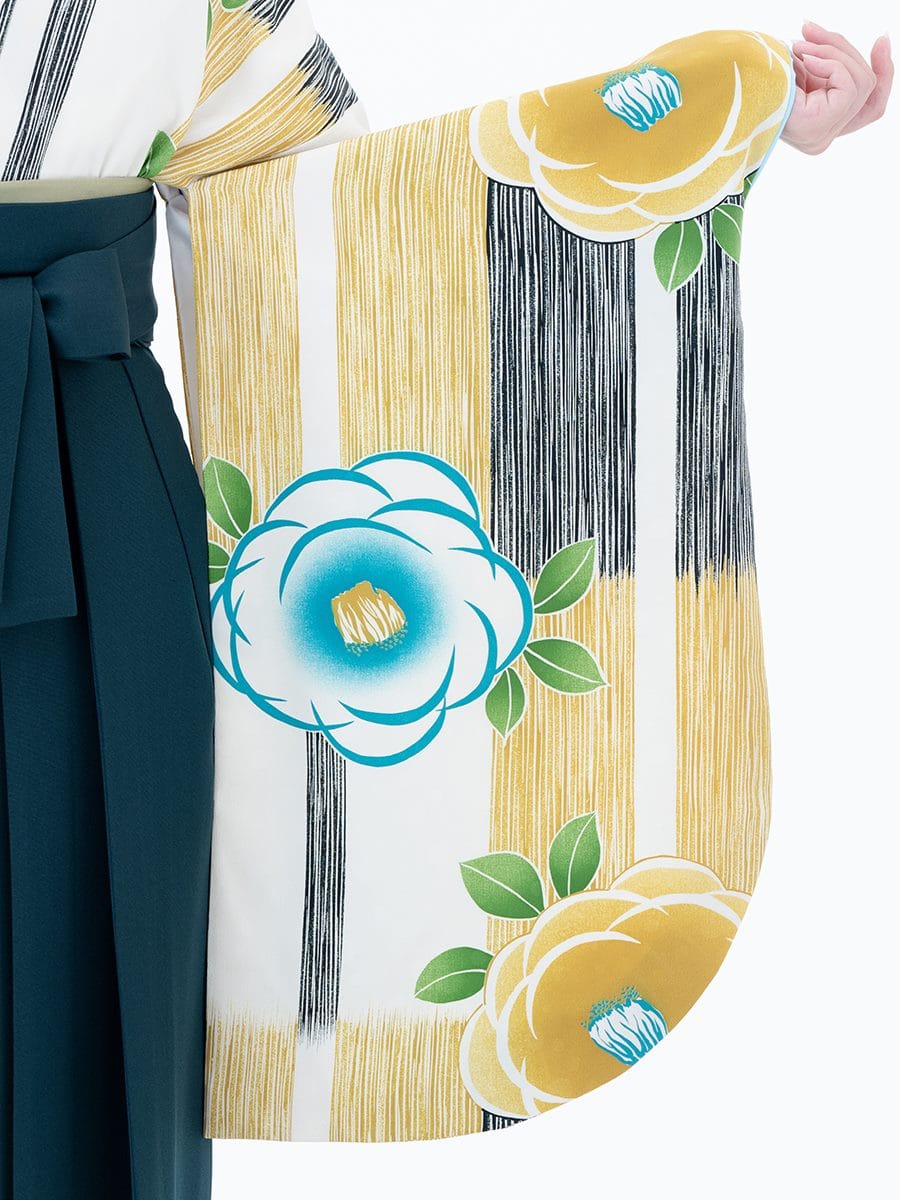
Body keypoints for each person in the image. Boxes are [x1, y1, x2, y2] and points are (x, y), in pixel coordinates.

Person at [0, 8, 891, 1199]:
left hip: (77, 483)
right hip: (72, 453)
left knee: (75, 966)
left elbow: (341, 209)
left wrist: (732, 123)